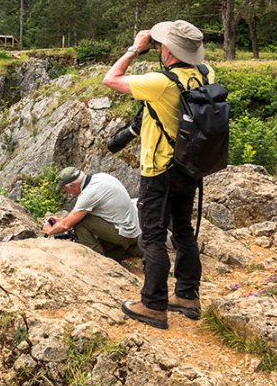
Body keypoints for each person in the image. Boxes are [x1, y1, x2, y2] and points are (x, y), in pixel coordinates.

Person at [102, 20, 212, 329]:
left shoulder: (160, 83)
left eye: (163, 45)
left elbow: (110, 79)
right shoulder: (205, 74)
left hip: (159, 169)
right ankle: (187, 296)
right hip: (189, 166)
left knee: (152, 235)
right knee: (183, 231)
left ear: (168, 50)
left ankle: (152, 304)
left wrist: (136, 48)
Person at [42, 167, 141, 262]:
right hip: (134, 226)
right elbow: (74, 216)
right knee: (81, 219)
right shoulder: (100, 177)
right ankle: (125, 251)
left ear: (72, 185)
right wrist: (61, 221)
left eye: (66, 190)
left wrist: (49, 231)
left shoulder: (89, 194)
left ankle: (97, 259)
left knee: (79, 222)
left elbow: (66, 225)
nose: (68, 193)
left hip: (127, 234)